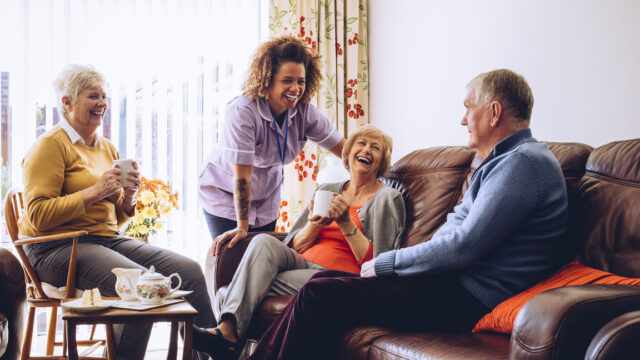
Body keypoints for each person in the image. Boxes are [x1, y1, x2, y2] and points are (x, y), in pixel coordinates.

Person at [247, 69, 570, 359]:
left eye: (468, 108)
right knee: (323, 279)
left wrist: (387, 263)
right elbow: (455, 239)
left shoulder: (522, 163)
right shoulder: (504, 161)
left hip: (468, 297)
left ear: (494, 112)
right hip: (449, 284)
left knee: (321, 293)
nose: (463, 119)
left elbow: (462, 245)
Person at [19, 64, 216, 359]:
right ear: (67, 102)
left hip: (103, 239)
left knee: (188, 271)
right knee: (138, 284)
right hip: (55, 248)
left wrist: (128, 199)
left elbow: (115, 220)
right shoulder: (50, 146)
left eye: (104, 96)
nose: (102, 104)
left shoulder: (106, 148)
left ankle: (209, 355)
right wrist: (94, 192)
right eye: (92, 96)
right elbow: (37, 215)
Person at [191, 125, 406, 359]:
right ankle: (227, 337)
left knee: (238, 287)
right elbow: (293, 246)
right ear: (348, 151)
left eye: (375, 147)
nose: (366, 150)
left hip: (336, 276)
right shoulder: (327, 189)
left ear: (382, 161)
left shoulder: (387, 198)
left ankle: (227, 338)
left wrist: (346, 224)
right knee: (263, 241)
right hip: (300, 263)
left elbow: (379, 264)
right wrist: (315, 224)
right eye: (361, 143)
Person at [198, 35, 345, 255]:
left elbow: (346, 150)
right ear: (268, 79)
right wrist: (242, 226)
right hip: (226, 193)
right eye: (287, 80)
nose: (295, 88)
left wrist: (377, 173)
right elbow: (242, 176)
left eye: (300, 81)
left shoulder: (304, 112)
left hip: (266, 197)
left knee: (260, 262)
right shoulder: (243, 111)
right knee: (232, 260)